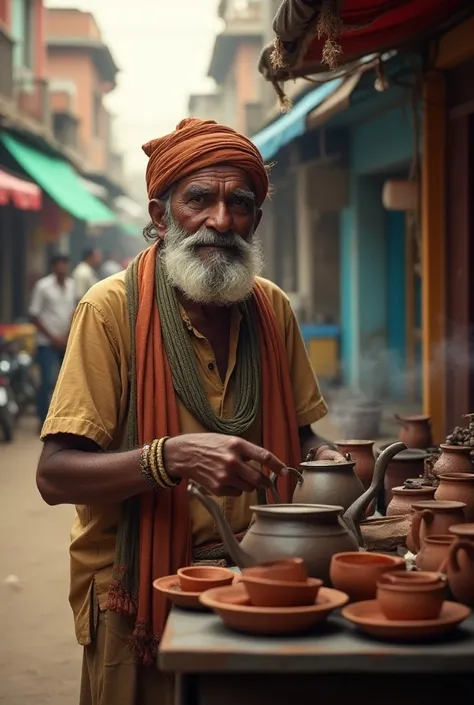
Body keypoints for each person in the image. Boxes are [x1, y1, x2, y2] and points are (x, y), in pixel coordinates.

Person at [36, 118, 345, 705]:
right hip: (137, 596)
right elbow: (54, 476)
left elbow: (302, 437)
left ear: (257, 219)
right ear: (160, 215)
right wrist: (168, 457)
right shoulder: (108, 312)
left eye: (241, 205)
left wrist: (324, 455)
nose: (221, 222)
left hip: (261, 583)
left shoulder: (271, 309)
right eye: (199, 200)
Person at [29, 254, 76, 428]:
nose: (62, 268)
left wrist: (68, 334)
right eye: (59, 264)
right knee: (46, 381)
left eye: (65, 264)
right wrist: (52, 337)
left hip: (66, 341)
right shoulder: (43, 287)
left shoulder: (71, 284)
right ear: (53, 266)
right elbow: (34, 315)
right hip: (46, 343)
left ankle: (62, 421)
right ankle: (43, 419)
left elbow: (74, 310)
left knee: (67, 381)